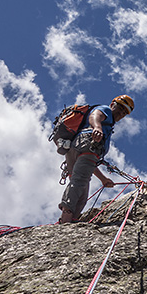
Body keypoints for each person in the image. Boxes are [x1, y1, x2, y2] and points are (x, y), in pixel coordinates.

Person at [58, 95, 134, 224]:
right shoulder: (105, 111)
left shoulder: (108, 125)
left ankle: (71, 219)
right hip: (87, 144)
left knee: (82, 189)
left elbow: (89, 164)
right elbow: (95, 115)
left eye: (124, 113)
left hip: (78, 149)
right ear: (112, 105)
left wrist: (103, 179)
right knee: (80, 181)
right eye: (120, 108)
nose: (121, 113)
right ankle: (67, 216)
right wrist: (97, 127)